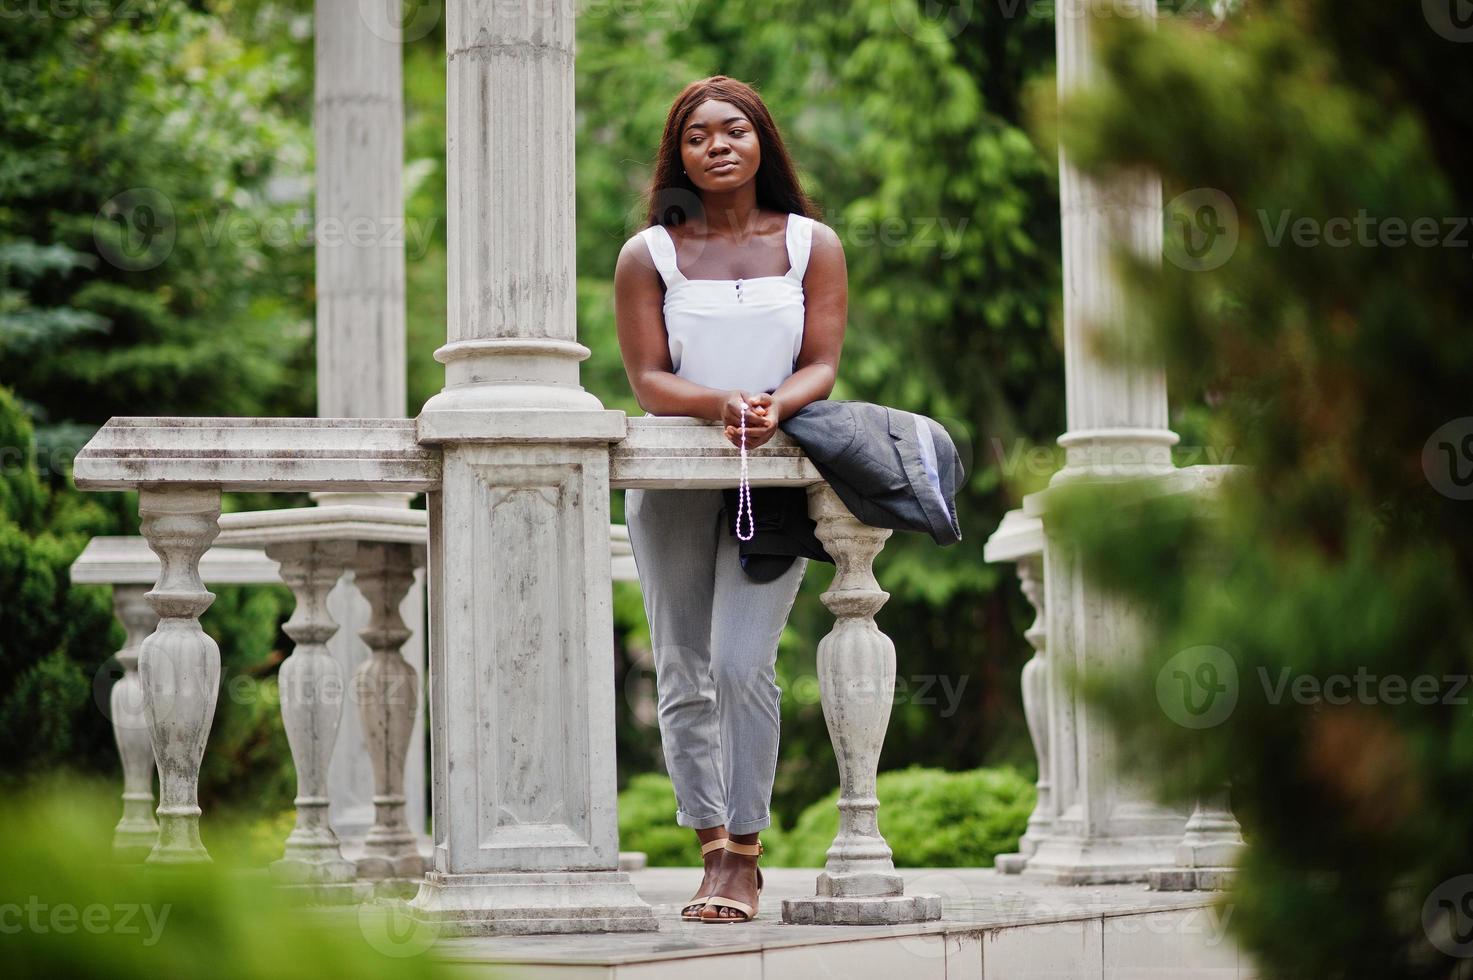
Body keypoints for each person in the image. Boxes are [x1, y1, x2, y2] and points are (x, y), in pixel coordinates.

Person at [613, 75, 848, 923]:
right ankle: (710, 849)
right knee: (681, 671)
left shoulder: (810, 243)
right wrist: (718, 404)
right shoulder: (651, 254)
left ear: (761, 143)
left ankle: (747, 852)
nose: (717, 144)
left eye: (734, 130)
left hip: (773, 475)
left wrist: (777, 404)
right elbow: (647, 380)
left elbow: (822, 361)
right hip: (674, 477)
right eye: (697, 135)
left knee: (744, 665)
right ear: (678, 156)